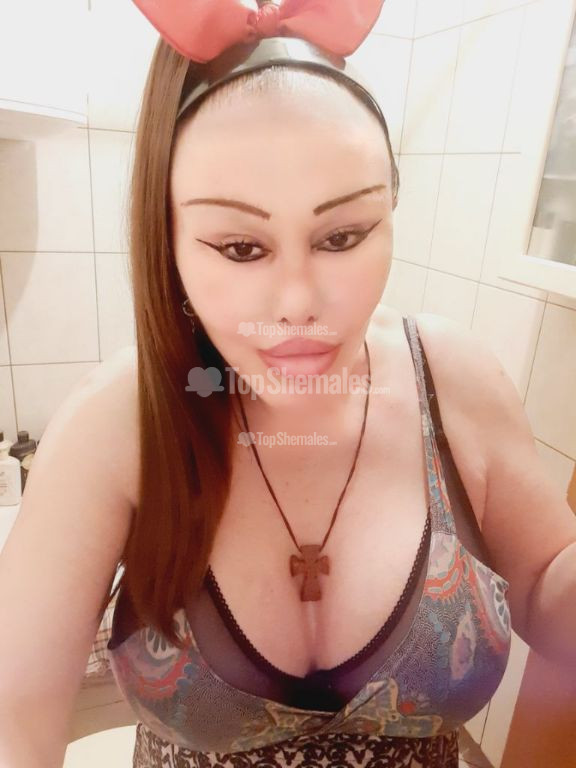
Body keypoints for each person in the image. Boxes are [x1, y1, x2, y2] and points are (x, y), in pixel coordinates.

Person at [1, 1, 575, 767]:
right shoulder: (119, 421)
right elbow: (16, 720)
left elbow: (546, 585)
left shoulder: (454, 379)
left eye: (342, 236)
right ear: (169, 240)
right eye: (241, 247)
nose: (299, 304)